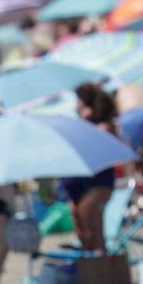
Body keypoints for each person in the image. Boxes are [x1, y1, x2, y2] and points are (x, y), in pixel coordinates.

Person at [59, 82, 119, 252]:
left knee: (94, 230)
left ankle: (101, 269)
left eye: (81, 102)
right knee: (82, 232)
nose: (77, 106)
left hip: (96, 182)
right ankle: (91, 271)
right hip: (76, 183)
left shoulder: (104, 127)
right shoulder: (78, 125)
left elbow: (108, 148)